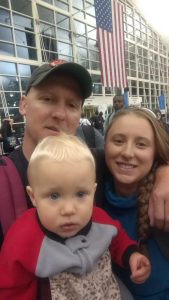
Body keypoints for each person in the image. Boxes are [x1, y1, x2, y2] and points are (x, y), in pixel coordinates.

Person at [0, 59, 169, 297]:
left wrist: (165, 170)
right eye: (47, 99)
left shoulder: (94, 163)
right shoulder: (5, 182)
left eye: (71, 104)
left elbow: (136, 159)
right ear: (24, 105)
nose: (59, 113)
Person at [0, 134, 151, 300]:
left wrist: (131, 255)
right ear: (33, 196)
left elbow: (116, 239)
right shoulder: (22, 238)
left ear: (93, 191)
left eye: (80, 194)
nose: (69, 209)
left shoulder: (99, 219)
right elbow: (12, 288)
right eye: (54, 196)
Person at [95, 107, 169, 299]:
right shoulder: (89, 195)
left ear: (156, 152)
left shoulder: (165, 198)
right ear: (105, 145)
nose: (128, 153)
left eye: (141, 145)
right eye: (118, 141)